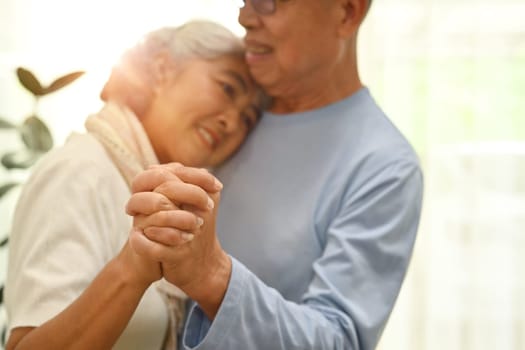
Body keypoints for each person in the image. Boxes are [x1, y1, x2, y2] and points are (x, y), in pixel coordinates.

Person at [125, 0, 424, 349]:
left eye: (267, 3)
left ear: (347, 12)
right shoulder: (230, 114)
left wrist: (212, 276)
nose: (245, 18)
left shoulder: (384, 166)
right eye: (244, 1)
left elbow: (338, 341)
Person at [4, 20, 265, 350]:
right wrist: (132, 269)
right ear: (161, 69)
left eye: (247, 118)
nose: (231, 122)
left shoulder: (162, 198)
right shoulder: (82, 170)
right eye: (228, 88)